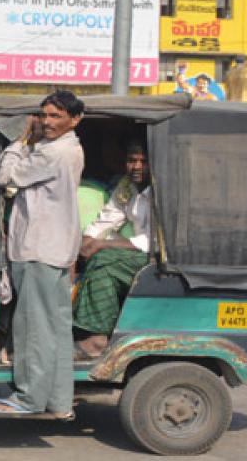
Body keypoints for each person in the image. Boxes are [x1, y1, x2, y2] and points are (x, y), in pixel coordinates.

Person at [0, 90, 84, 418]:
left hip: (39, 248)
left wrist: (18, 141)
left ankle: (29, 399)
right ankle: (58, 400)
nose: (47, 122)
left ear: (74, 119)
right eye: (44, 116)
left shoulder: (53, 153)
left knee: (34, 327)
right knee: (54, 328)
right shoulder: (67, 149)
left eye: (56, 116)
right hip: (53, 249)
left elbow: (6, 176)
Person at [73, 143, 152, 359]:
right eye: (131, 160)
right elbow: (109, 217)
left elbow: (151, 241)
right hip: (136, 251)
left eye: (143, 162)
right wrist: (87, 240)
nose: (136, 166)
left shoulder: (164, 190)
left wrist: (102, 245)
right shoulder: (127, 186)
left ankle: (98, 338)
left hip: (158, 258)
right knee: (86, 253)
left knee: (103, 260)